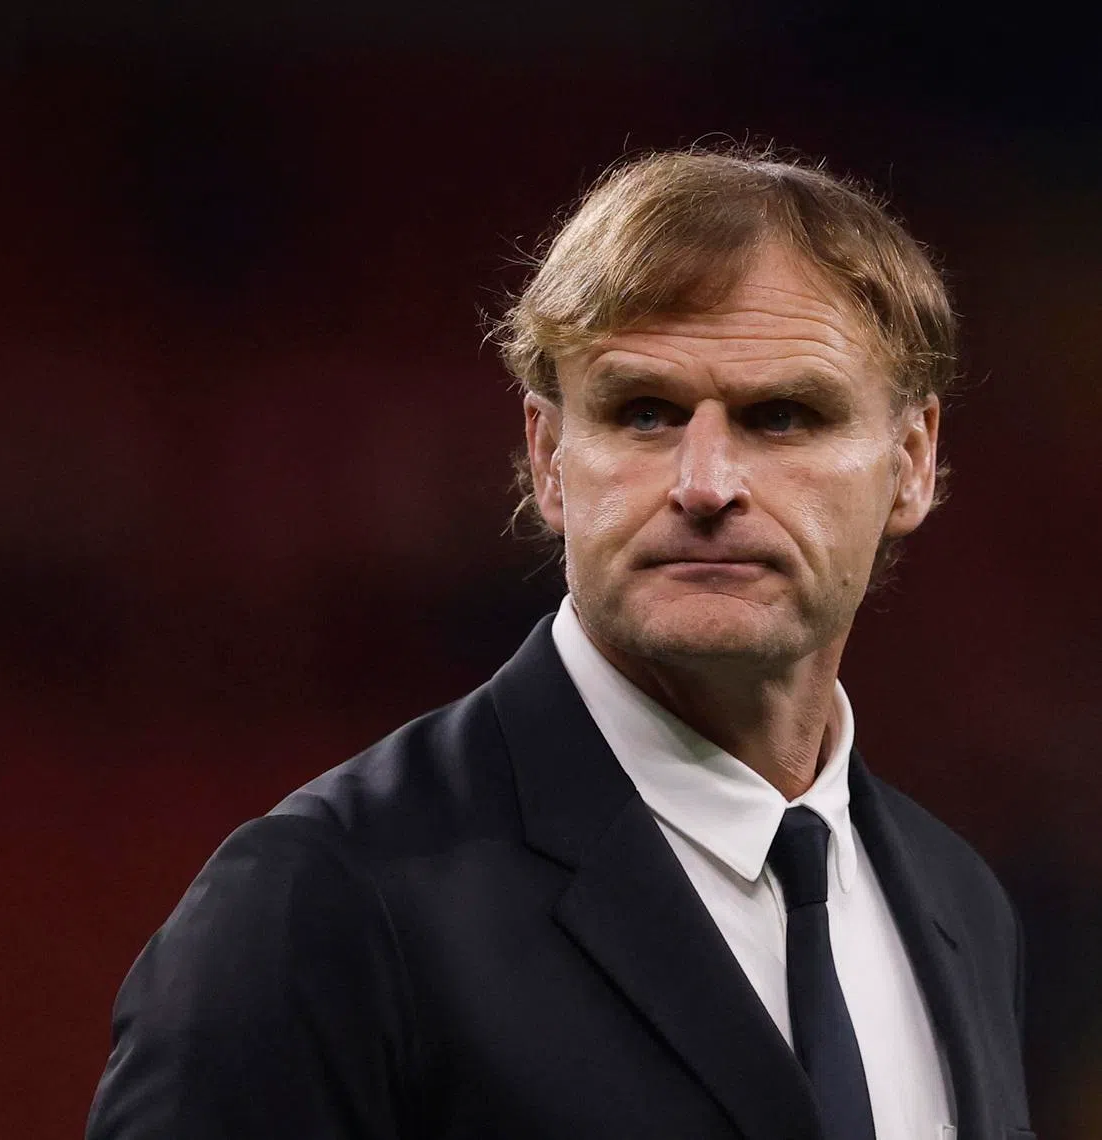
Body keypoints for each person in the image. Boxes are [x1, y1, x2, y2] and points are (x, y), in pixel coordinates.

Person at [86, 147, 1034, 1140]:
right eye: (644, 413)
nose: (705, 482)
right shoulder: (325, 900)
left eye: (782, 416)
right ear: (547, 457)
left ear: (912, 462)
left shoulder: (960, 907)